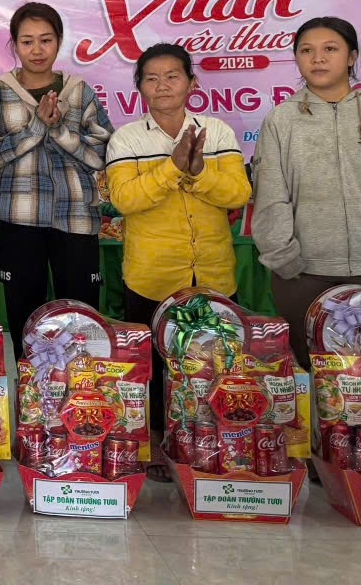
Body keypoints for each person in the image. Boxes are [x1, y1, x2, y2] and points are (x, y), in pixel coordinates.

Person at [105, 43, 250, 469]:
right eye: (151, 78)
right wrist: (173, 168)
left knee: (215, 367)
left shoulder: (216, 132)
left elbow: (237, 193)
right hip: (151, 278)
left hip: (212, 276)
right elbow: (124, 199)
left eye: (172, 76)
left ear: (191, 82)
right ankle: (153, 448)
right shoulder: (127, 138)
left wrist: (200, 170)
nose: (163, 85)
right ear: (139, 88)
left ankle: (213, 445)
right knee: (151, 371)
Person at [253, 16, 361, 368]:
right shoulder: (281, 120)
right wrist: (287, 263)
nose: (318, 58)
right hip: (305, 277)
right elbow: (271, 198)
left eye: (330, 49)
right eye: (306, 50)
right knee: (321, 384)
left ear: (352, 56)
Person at [0, 2, 113, 354]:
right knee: (24, 311)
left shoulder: (79, 91)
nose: (37, 50)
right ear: (14, 44)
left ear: (59, 41)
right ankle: (29, 385)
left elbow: (101, 154)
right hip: (18, 216)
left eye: (46, 40)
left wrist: (60, 130)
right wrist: (36, 128)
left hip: (76, 215)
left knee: (80, 314)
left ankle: (82, 384)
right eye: (27, 41)